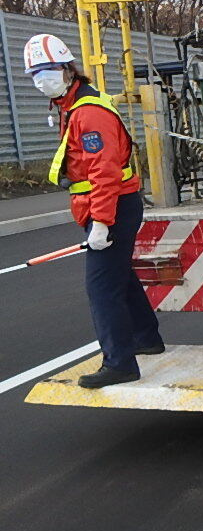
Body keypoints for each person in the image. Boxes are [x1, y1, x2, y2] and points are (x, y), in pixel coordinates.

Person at [24, 33, 162, 388]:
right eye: (35, 73)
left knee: (101, 288)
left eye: (48, 70)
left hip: (112, 206)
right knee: (119, 277)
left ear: (68, 69)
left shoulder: (88, 113)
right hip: (109, 205)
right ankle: (146, 337)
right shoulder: (73, 105)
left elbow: (104, 172)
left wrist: (102, 222)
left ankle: (120, 364)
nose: (42, 79)